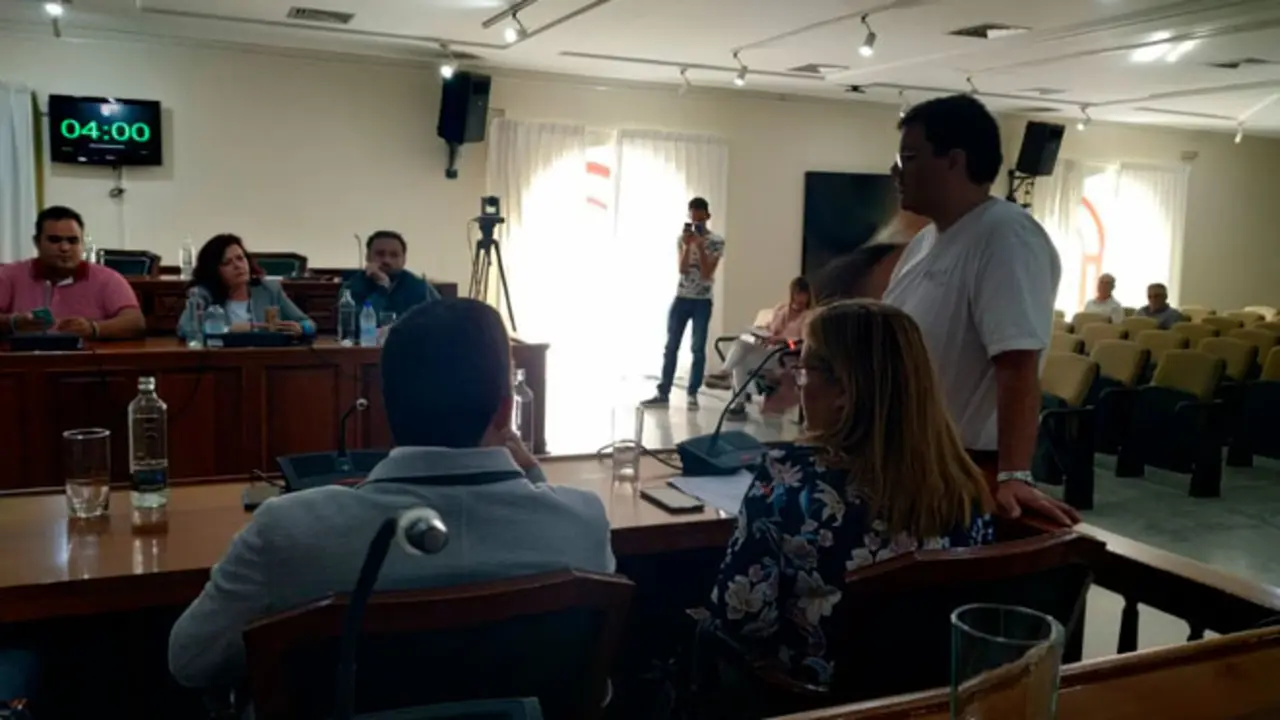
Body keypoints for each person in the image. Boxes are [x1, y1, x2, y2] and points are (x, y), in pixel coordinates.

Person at [168, 298, 614, 688]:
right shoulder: (583, 522)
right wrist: (533, 474)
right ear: (505, 410)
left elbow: (191, 660)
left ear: (386, 407)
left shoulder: (286, 530)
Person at [707, 300, 994, 687]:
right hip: (928, 701)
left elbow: (741, 616)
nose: (799, 386)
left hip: (807, 701)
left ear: (843, 389)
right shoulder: (964, 486)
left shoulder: (788, 480)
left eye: (803, 373)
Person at [882, 94, 1079, 527]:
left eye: (909, 158)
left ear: (954, 161)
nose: (895, 171)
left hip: (964, 467)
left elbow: (1017, 363)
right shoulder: (926, 240)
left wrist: (1013, 475)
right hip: (910, 458)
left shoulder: (1005, 235)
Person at [0, 205, 144, 340]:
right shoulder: (9, 275)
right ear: (37, 242)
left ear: (82, 243)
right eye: (54, 240)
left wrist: (94, 328)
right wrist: (12, 322)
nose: (65, 248)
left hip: (84, 356)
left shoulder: (107, 279)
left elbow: (135, 322)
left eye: (73, 241)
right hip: (23, 356)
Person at [642, 197, 726, 411]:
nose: (695, 219)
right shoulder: (683, 239)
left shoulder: (716, 241)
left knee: (697, 348)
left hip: (702, 301)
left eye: (699, 215)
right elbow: (682, 269)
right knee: (671, 346)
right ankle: (663, 392)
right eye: (692, 215)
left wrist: (701, 246)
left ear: (707, 216)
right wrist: (689, 246)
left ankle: (692, 393)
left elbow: (707, 273)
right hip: (681, 298)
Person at [706, 277, 812, 420]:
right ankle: (726, 376)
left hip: (784, 355)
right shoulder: (781, 309)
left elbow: (803, 342)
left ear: (808, 296)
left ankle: (730, 384)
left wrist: (781, 339)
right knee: (742, 342)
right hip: (768, 349)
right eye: (797, 294)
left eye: (803, 294)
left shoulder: (809, 317)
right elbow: (770, 327)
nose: (799, 298)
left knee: (741, 358)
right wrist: (761, 332)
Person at [177, 234, 315, 337]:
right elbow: (185, 328)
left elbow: (309, 323)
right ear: (214, 271)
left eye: (240, 258)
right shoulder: (204, 294)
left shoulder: (269, 290)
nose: (238, 266)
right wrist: (232, 329)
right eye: (227, 263)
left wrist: (302, 329)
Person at [341, 230, 441, 319]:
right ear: (367, 256)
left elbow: (440, 320)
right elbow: (356, 323)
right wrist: (382, 290)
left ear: (404, 259)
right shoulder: (352, 287)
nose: (386, 260)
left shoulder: (421, 287)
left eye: (394, 255)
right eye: (380, 254)